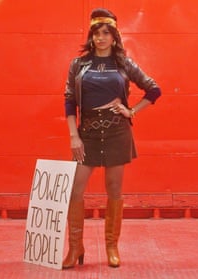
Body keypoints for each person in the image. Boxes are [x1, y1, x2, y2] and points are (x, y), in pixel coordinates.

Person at [63, 8, 161, 268]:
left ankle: (111, 246)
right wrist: (74, 136)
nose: (101, 38)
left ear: (115, 36)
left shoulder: (124, 64)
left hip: (118, 132)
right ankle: (75, 248)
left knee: (114, 190)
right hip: (88, 134)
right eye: (97, 33)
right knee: (75, 189)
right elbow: (70, 100)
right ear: (92, 36)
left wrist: (131, 111)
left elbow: (154, 89)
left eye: (106, 33)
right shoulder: (79, 64)